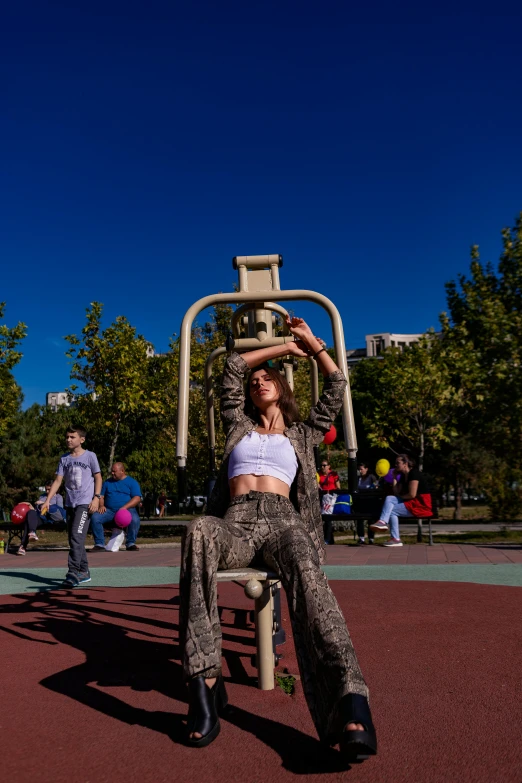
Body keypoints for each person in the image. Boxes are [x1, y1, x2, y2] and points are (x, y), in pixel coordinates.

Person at [179, 316, 377, 761]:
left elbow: (338, 384)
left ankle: (348, 699)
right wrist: (284, 348)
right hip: (236, 522)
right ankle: (205, 681)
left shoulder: (303, 434)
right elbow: (233, 368)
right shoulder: (237, 426)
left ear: (284, 390)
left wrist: (312, 344)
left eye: (267, 380)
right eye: (256, 381)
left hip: (285, 521)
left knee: (309, 579)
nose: (258, 383)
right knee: (198, 531)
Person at [43, 425, 102, 587]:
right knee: (74, 539)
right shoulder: (64, 459)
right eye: (67, 437)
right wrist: (48, 500)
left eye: (72, 437)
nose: (68, 439)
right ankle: (84, 571)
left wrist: (96, 498)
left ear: (81, 439)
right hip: (70, 504)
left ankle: (73, 572)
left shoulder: (90, 456)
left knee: (76, 537)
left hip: (85, 503)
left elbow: (98, 477)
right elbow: (57, 481)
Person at [370, 454, 432, 546]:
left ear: (405, 464)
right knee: (390, 498)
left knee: (391, 509)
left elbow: (412, 494)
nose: (395, 465)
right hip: (412, 503)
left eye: (397, 463)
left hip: (421, 505)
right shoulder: (403, 476)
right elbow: (396, 493)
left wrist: (399, 498)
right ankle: (386, 526)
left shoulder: (414, 473)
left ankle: (392, 534)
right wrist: (394, 477)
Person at [90, 462, 142, 552]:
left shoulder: (132, 482)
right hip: (110, 510)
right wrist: (101, 505)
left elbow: (137, 498)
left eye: (114, 471)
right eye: (112, 471)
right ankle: (99, 544)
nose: (112, 473)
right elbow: (101, 496)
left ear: (122, 471)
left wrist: (125, 507)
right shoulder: (107, 482)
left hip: (127, 510)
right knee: (95, 517)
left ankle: (130, 543)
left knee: (135, 519)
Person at [16, 484, 65, 556]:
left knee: (28, 522)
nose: (47, 491)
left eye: (49, 489)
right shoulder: (42, 496)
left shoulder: (58, 497)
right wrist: (30, 505)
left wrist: (45, 503)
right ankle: (32, 533)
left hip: (52, 518)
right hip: (42, 518)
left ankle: (23, 546)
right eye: (46, 489)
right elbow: (37, 510)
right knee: (30, 513)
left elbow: (60, 510)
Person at [355, 463, 378, 546]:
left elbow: (376, 485)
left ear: (366, 469)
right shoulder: (358, 478)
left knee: (371, 520)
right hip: (360, 501)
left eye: (361, 469)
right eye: (359, 469)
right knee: (360, 519)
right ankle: (361, 537)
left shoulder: (371, 477)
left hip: (370, 501)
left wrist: (374, 487)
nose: (360, 471)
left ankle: (371, 538)